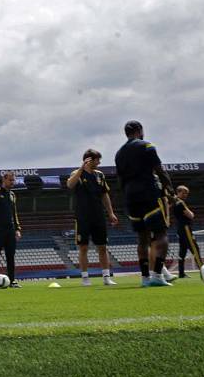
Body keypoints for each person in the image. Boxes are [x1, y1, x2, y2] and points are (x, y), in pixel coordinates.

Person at [114, 120, 175, 287]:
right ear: (140, 130)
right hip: (149, 193)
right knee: (161, 233)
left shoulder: (119, 154)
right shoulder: (146, 146)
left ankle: (145, 278)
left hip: (130, 197)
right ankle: (157, 275)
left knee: (142, 238)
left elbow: (120, 181)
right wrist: (170, 191)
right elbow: (159, 170)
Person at [66, 149, 120, 286]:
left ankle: (106, 277)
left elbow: (104, 195)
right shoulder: (76, 173)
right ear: (89, 160)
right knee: (83, 248)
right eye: (97, 160)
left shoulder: (100, 175)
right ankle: (85, 278)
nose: (99, 162)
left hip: (98, 216)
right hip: (82, 216)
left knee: (102, 246)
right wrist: (81, 168)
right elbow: (70, 185)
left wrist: (111, 213)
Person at [173, 185, 202, 278]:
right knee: (195, 249)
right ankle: (203, 270)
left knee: (182, 251)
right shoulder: (180, 203)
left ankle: (181, 273)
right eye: (183, 192)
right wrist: (192, 213)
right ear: (178, 192)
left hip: (180, 228)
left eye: (187, 193)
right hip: (185, 228)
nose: (185, 195)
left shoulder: (174, 201)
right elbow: (190, 215)